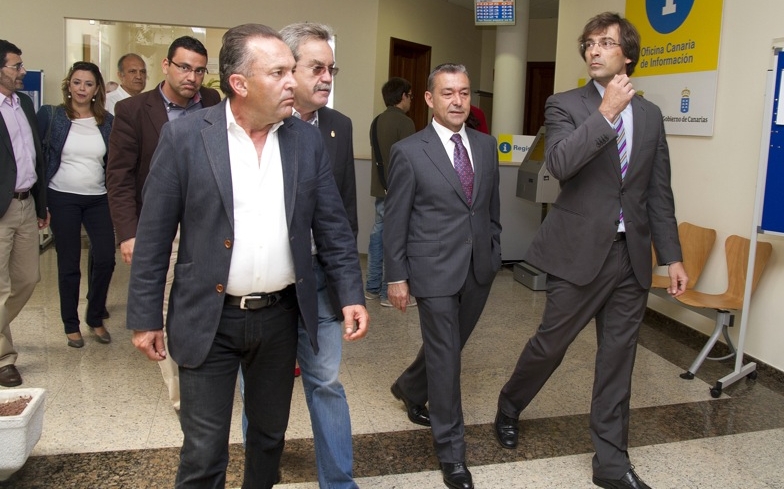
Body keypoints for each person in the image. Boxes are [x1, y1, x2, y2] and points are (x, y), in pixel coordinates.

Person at [125, 23, 368, 488]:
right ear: (239, 83)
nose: (292, 83)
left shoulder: (305, 140)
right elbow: (154, 237)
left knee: (269, 439)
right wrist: (145, 318)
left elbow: (333, 227)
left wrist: (350, 294)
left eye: (291, 71)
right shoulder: (186, 139)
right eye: (278, 72)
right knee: (203, 450)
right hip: (208, 318)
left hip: (278, 318)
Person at [493, 12, 688, 489]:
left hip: (631, 256)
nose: (593, 50)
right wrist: (606, 114)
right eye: (589, 44)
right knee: (550, 345)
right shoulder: (566, 105)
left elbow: (657, 192)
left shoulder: (651, 115)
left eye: (605, 43)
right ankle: (510, 403)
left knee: (618, 359)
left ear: (627, 55)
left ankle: (611, 463)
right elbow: (558, 163)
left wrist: (672, 254)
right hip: (579, 252)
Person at [385, 63, 502, 489]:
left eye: (465, 93)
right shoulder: (410, 151)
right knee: (447, 358)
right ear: (430, 99)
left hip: (478, 269)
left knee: (450, 345)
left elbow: (490, 210)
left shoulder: (487, 147)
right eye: (448, 93)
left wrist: (494, 249)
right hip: (432, 270)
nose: (458, 101)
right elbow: (395, 220)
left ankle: (409, 387)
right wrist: (396, 276)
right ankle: (452, 452)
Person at [106, 36, 221, 411]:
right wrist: (129, 233)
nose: (192, 76)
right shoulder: (133, 110)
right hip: (162, 225)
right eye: (184, 67)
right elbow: (120, 176)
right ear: (167, 66)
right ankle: (182, 397)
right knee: (169, 306)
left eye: (200, 70)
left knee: (207, 299)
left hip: (209, 222)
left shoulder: (215, 104)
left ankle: (208, 373)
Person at [36, 62, 115, 348]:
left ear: (97, 89)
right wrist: (40, 202)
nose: (82, 88)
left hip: (98, 198)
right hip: (62, 197)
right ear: (69, 85)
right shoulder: (53, 116)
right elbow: (39, 159)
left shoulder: (107, 122)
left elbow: (113, 164)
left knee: (106, 257)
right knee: (69, 263)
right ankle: (71, 324)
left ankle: (95, 317)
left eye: (89, 84)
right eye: (77, 82)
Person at [0, 40, 49, 388]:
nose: (22, 71)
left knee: (28, 280)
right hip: (0, 210)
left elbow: (36, 156)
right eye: (16, 66)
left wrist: (40, 203)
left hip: (26, 203)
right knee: (0, 288)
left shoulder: (25, 104)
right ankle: (4, 358)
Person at [366, 77, 416, 308]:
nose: (411, 101)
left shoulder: (376, 121)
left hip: (380, 188)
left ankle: (372, 288)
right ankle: (388, 293)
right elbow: (410, 161)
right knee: (394, 240)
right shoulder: (405, 123)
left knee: (378, 235)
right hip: (399, 191)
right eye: (410, 96)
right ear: (402, 96)